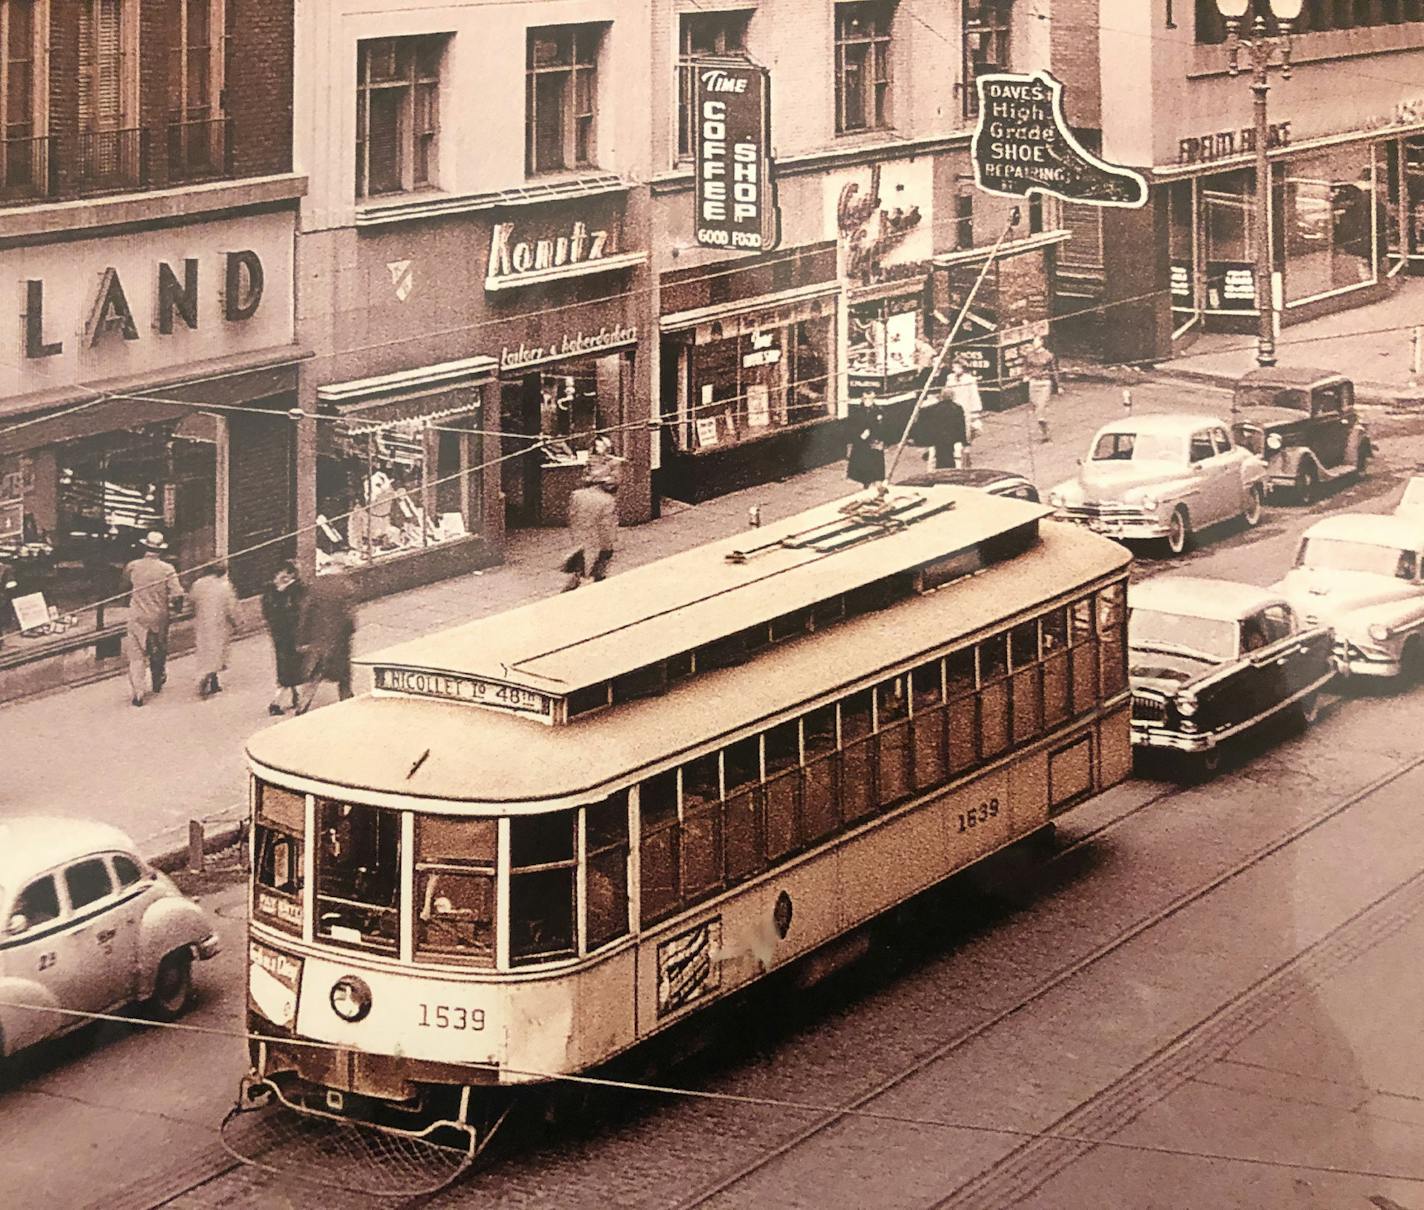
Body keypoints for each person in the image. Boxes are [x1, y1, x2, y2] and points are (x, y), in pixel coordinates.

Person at [119, 530, 182, 707]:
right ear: (160, 551)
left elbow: (123, 586)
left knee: (136, 656)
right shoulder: (167, 569)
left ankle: (138, 693)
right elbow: (177, 593)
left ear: (144, 547)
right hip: (158, 617)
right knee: (158, 650)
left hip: (136, 616)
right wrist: (175, 609)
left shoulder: (133, 566)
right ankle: (157, 678)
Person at [562, 435, 622, 591]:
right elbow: (585, 478)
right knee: (584, 539)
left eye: (601, 446)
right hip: (590, 501)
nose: (598, 449)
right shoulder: (591, 461)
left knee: (605, 540)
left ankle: (598, 573)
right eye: (596, 446)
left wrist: (597, 478)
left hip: (603, 501)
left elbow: (613, 482)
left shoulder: (614, 462)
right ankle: (578, 573)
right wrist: (599, 478)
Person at [299, 572, 357, 710]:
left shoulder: (314, 588)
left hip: (320, 640)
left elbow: (305, 614)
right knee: (344, 673)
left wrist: (302, 639)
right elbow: (349, 614)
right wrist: (351, 629)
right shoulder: (345, 586)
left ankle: (303, 704)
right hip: (340, 638)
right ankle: (346, 698)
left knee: (316, 672)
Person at [261, 560, 306, 715]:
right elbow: (300, 612)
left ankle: (296, 696)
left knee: (287, 668)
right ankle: (276, 703)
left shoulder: (271, 592)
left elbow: (267, 614)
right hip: (293, 635)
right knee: (291, 670)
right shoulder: (296, 590)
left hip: (278, 635)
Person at [190, 562, 239, 699]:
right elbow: (231, 607)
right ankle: (208, 677)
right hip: (220, 624)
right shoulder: (224, 586)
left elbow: (192, 600)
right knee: (218, 652)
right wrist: (236, 623)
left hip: (203, 623)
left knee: (206, 651)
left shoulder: (198, 584)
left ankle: (213, 680)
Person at [946, 360, 985, 466]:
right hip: (953, 410)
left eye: (957, 367)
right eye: (953, 367)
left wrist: (975, 412)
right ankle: (958, 456)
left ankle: (966, 455)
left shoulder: (970, 379)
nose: (954, 369)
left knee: (967, 434)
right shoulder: (950, 378)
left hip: (966, 410)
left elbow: (974, 395)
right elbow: (947, 392)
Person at [1023, 336, 1061, 442]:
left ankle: (1046, 432)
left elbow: (1054, 370)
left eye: (1036, 341)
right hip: (1033, 383)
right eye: (1033, 342)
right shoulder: (1029, 355)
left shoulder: (1048, 355)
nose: (1034, 344)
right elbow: (1025, 367)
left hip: (1044, 383)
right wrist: (1026, 375)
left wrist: (1059, 385)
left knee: (1041, 409)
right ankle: (1044, 430)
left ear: (1042, 342)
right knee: (1036, 408)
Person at [846, 407, 887, 489]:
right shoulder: (857, 411)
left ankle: (876, 486)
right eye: (865, 398)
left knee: (876, 466)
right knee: (863, 464)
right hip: (862, 444)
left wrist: (881, 440)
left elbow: (883, 427)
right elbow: (852, 427)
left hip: (874, 443)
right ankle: (865, 484)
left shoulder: (878, 411)